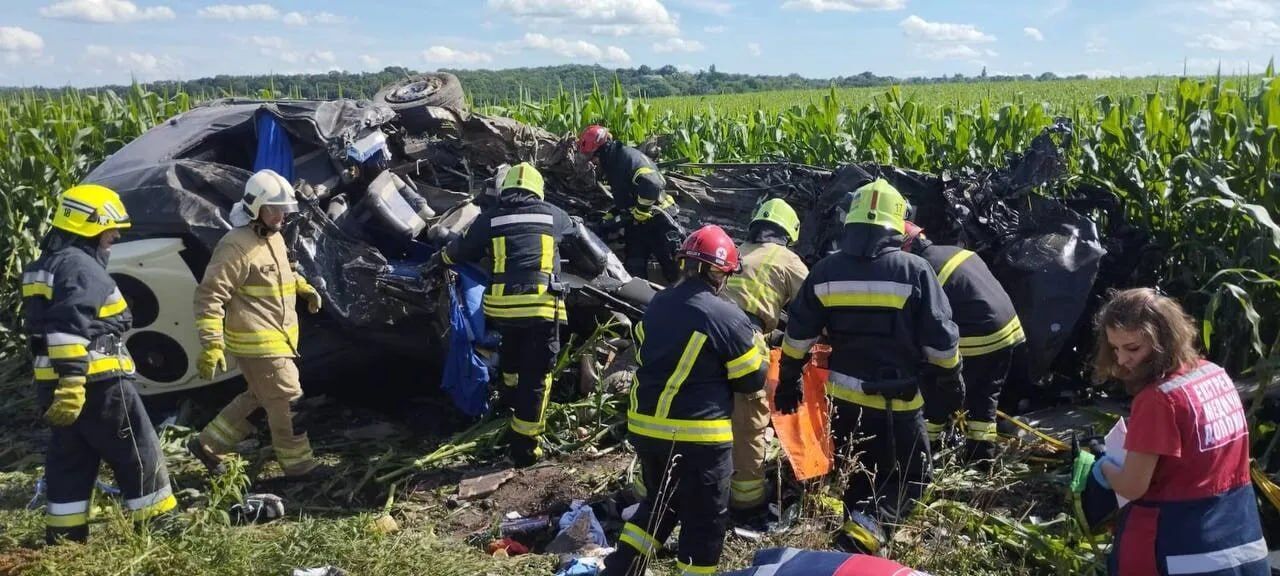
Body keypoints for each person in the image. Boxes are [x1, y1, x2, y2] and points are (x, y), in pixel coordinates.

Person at [774, 179, 963, 555]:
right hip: (900, 400)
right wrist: (951, 382)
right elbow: (941, 341)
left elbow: (797, 335)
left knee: (858, 477)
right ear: (897, 222)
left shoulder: (826, 270)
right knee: (912, 476)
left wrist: (789, 380)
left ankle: (852, 543)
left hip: (843, 400)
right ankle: (862, 539)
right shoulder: (915, 271)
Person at [603, 225, 769, 576]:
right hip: (700, 438)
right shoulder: (726, 316)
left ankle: (619, 569)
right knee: (705, 521)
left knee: (661, 505)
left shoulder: (658, 304)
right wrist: (757, 348)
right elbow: (751, 381)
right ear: (717, 271)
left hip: (647, 432)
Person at [22, 184, 176, 543]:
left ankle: (65, 536)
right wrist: (74, 381)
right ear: (90, 225)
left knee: (70, 459)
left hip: (54, 386)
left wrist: (64, 385)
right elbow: (68, 327)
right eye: (111, 227)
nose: (116, 235)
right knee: (137, 450)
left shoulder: (42, 267)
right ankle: (159, 527)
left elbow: (43, 331)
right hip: (98, 382)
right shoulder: (80, 267)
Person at [1090, 288, 1266, 576]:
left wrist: (1105, 468)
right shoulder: (1215, 375)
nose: (1121, 360)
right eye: (1115, 348)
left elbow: (1133, 486)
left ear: (1163, 340)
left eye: (1132, 348)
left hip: (1183, 551)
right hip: (1243, 540)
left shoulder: (1157, 399)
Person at [188, 169, 329, 480]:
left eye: (283, 209)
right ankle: (300, 466)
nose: (280, 216)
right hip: (259, 344)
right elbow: (209, 296)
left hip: (279, 340)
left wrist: (301, 287)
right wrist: (211, 343)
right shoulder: (235, 245)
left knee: (260, 396)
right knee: (289, 401)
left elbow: (280, 273)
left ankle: (208, 445)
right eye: (273, 209)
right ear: (255, 208)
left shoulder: (273, 237)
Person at [440, 162, 577, 467]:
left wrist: (440, 258)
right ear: (537, 189)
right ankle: (526, 450)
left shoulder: (491, 218)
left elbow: (457, 251)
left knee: (512, 365)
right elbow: (577, 237)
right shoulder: (555, 215)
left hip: (504, 310)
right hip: (542, 309)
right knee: (537, 378)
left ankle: (507, 408)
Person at [901, 221, 1025, 463]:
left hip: (978, 334)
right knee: (984, 396)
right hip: (1008, 330)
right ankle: (981, 462)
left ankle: (925, 452)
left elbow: (928, 324)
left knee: (934, 388)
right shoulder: (954, 251)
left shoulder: (922, 269)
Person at [721, 198, 809, 519]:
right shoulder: (787, 259)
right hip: (743, 340)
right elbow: (813, 306)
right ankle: (746, 498)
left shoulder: (734, 249)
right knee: (748, 418)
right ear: (788, 233)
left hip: (704, 333)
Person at [577, 125, 683, 283]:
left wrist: (641, 210)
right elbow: (626, 202)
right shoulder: (615, 164)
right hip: (639, 226)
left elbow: (653, 183)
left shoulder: (627, 159)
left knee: (675, 273)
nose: (593, 164)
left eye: (593, 158)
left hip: (660, 221)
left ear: (602, 151)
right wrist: (609, 219)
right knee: (635, 274)